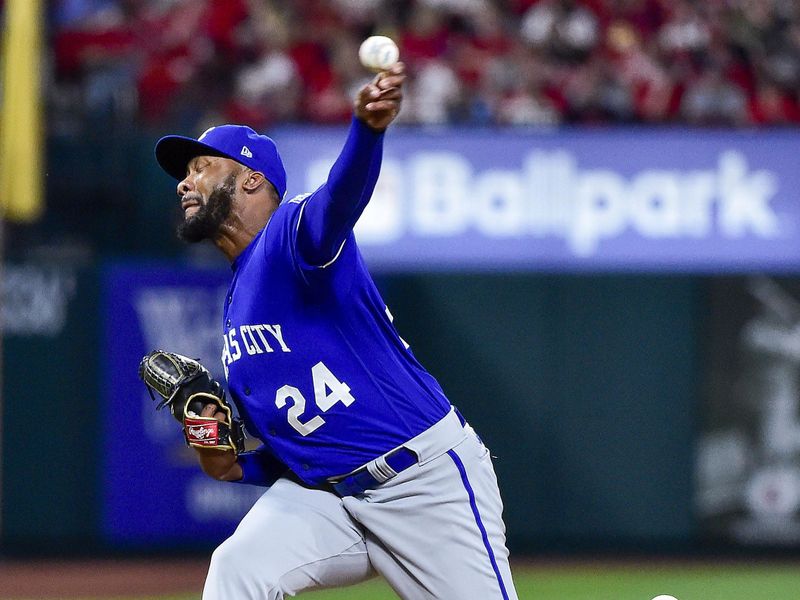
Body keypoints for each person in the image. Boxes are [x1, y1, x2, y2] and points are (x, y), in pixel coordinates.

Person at [154, 61, 518, 600]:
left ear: (251, 178)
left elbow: (340, 201)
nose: (185, 181)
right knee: (237, 568)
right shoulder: (235, 302)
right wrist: (219, 450)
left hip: (420, 482)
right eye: (185, 173)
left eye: (202, 166)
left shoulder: (290, 235)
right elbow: (256, 461)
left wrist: (367, 134)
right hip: (327, 499)